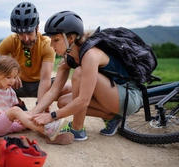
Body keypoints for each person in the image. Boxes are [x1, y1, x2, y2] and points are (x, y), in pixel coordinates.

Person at [30, 11, 143, 141]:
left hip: (129, 96)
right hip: (112, 95)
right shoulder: (69, 58)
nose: (51, 45)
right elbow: (54, 90)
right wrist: (33, 113)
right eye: (51, 40)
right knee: (63, 102)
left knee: (79, 72)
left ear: (71, 38)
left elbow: (84, 100)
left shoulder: (90, 55)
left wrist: (52, 116)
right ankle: (112, 117)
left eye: (55, 40)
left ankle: (77, 129)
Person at [0, 2, 71, 110]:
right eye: (21, 34)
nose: (26, 38)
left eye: (29, 33)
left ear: (37, 28)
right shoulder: (11, 40)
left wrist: (41, 107)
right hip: (15, 83)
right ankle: (17, 104)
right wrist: (8, 72)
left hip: (38, 84)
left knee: (68, 88)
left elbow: (45, 79)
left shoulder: (46, 43)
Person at [0, 55, 66, 141]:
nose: (12, 81)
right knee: (16, 111)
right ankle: (46, 131)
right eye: (9, 77)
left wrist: (19, 118)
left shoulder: (10, 91)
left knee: (28, 114)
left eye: (14, 77)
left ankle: (51, 127)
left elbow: (11, 113)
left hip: (7, 125)